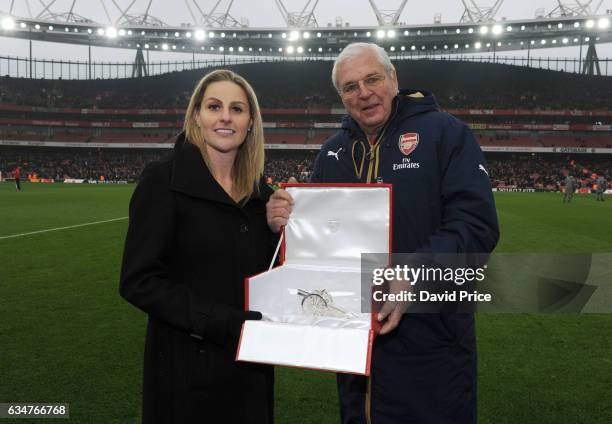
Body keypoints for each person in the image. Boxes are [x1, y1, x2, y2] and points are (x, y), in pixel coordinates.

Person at [267, 42, 499, 424]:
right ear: (341, 97)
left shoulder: (446, 134)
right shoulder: (331, 154)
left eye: (372, 78)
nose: (363, 92)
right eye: (350, 86)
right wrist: (286, 224)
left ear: (394, 79)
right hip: (353, 342)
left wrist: (413, 272)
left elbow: (476, 225)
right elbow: (314, 249)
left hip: (432, 339)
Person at [120, 69, 275, 423]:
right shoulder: (162, 180)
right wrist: (223, 322)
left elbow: (266, 275)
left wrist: (277, 231)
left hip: (250, 370)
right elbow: (138, 280)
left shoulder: (260, 194)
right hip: (185, 372)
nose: (225, 116)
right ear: (196, 116)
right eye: (214, 106)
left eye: (237, 109)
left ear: (250, 122)